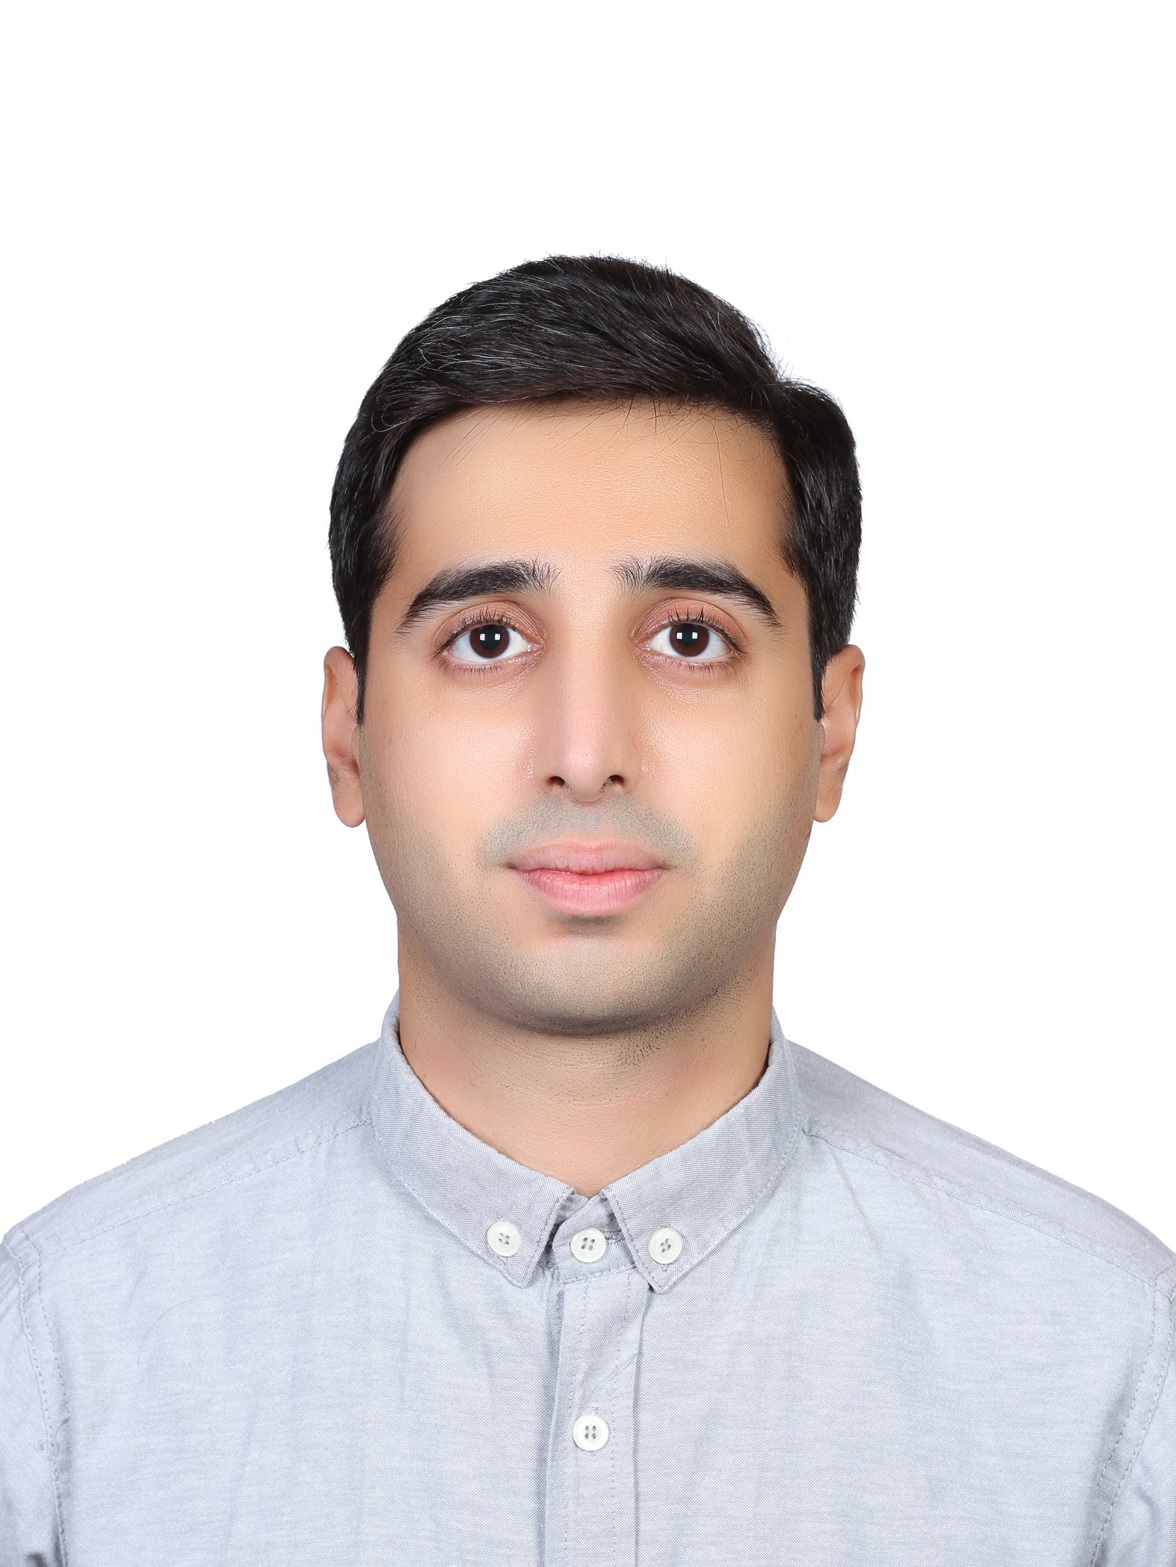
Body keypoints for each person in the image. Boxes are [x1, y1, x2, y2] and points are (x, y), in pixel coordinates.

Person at [1, 257, 1171, 1565]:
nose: (585, 754)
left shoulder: (1114, 1376)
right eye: (487, 639)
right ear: (348, 734)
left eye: (690, 637)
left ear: (830, 730)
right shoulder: (57, 1366)